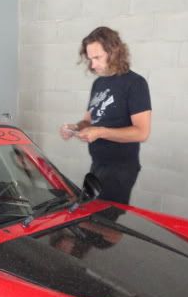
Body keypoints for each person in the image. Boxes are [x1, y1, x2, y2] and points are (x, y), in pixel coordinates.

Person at [60, 27, 151, 205]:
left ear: (114, 51)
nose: (92, 65)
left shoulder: (135, 83)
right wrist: (76, 128)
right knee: (93, 218)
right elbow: (88, 121)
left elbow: (142, 132)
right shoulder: (99, 83)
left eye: (97, 58)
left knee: (105, 221)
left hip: (120, 167)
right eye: (90, 59)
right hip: (98, 164)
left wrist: (100, 132)